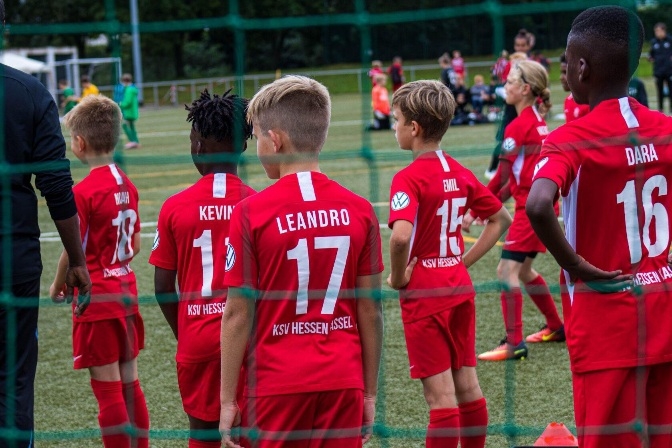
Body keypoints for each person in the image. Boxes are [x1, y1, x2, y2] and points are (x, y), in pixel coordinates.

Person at [527, 6, 672, 446]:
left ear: (583, 68)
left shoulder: (570, 139)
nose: (565, 70)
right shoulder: (666, 128)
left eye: (568, 61)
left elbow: (538, 205)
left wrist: (575, 265)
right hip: (664, 311)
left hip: (606, 321)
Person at [219, 75, 384, 448]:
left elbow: (237, 313)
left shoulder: (250, 212)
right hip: (343, 380)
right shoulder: (360, 210)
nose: (257, 147)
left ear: (275, 139)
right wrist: (369, 393)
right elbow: (370, 310)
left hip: (276, 383)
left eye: (257, 137)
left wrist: (227, 399)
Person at [387, 80, 511, 448]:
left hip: (425, 293)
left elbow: (400, 238)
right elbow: (500, 219)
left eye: (396, 120)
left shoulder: (407, 178)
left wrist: (397, 276)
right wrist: (462, 262)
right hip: (458, 286)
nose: (394, 127)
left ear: (414, 128)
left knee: (440, 399)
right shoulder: (459, 171)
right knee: (467, 386)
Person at [0, 3, 91, 447]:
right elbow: (56, 185)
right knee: (14, 377)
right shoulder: (30, 92)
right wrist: (77, 259)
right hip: (11, 257)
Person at [149, 89, 255, 448]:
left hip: (196, 338)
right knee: (250, 432)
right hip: (249, 339)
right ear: (243, 146)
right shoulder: (258, 204)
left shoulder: (174, 207)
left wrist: (186, 332)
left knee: (202, 434)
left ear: (198, 147)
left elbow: (162, 287)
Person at [50, 95, 149, 448]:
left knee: (107, 391)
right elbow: (134, 245)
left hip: (96, 301)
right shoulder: (127, 184)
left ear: (79, 143)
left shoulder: (83, 192)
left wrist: (57, 285)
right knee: (130, 383)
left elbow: (72, 252)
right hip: (126, 294)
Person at [471, 60, 564, 362]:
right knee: (523, 271)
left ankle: (514, 343)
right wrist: (483, 209)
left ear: (525, 89)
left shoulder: (518, 126)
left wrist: (474, 207)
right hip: (543, 207)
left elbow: (501, 178)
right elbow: (517, 181)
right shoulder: (538, 122)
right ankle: (556, 326)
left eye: (510, 81)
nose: (505, 86)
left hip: (530, 210)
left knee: (505, 271)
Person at [484, 49, 530, 179]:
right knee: (503, 144)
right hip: (510, 119)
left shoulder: (526, 83)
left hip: (522, 121)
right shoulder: (509, 84)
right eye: (515, 63)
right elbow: (499, 90)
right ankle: (492, 169)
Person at [559, 52, 589, 123]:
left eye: (565, 72)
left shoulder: (589, 102)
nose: (561, 77)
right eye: (561, 73)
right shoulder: (568, 101)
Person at [649, 22, 672, 113]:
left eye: (658, 31)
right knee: (659, 91)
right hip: (658, 71)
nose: (657, 33)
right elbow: (651, 55)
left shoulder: (670, 40)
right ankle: (660, 109)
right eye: (656, 31)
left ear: (664, 31)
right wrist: (650, 58)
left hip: (669, 71)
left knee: (671, 90)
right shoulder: (654, 42)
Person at [119, 73, 141, 149]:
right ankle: (136, 142)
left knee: (125, 126)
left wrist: (120, 104)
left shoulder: (129, 90)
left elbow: (128, 102)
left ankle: (133, 141)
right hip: (132, 111)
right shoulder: (132, 89)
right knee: (132, 126)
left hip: (129, 112)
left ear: (125, 81)